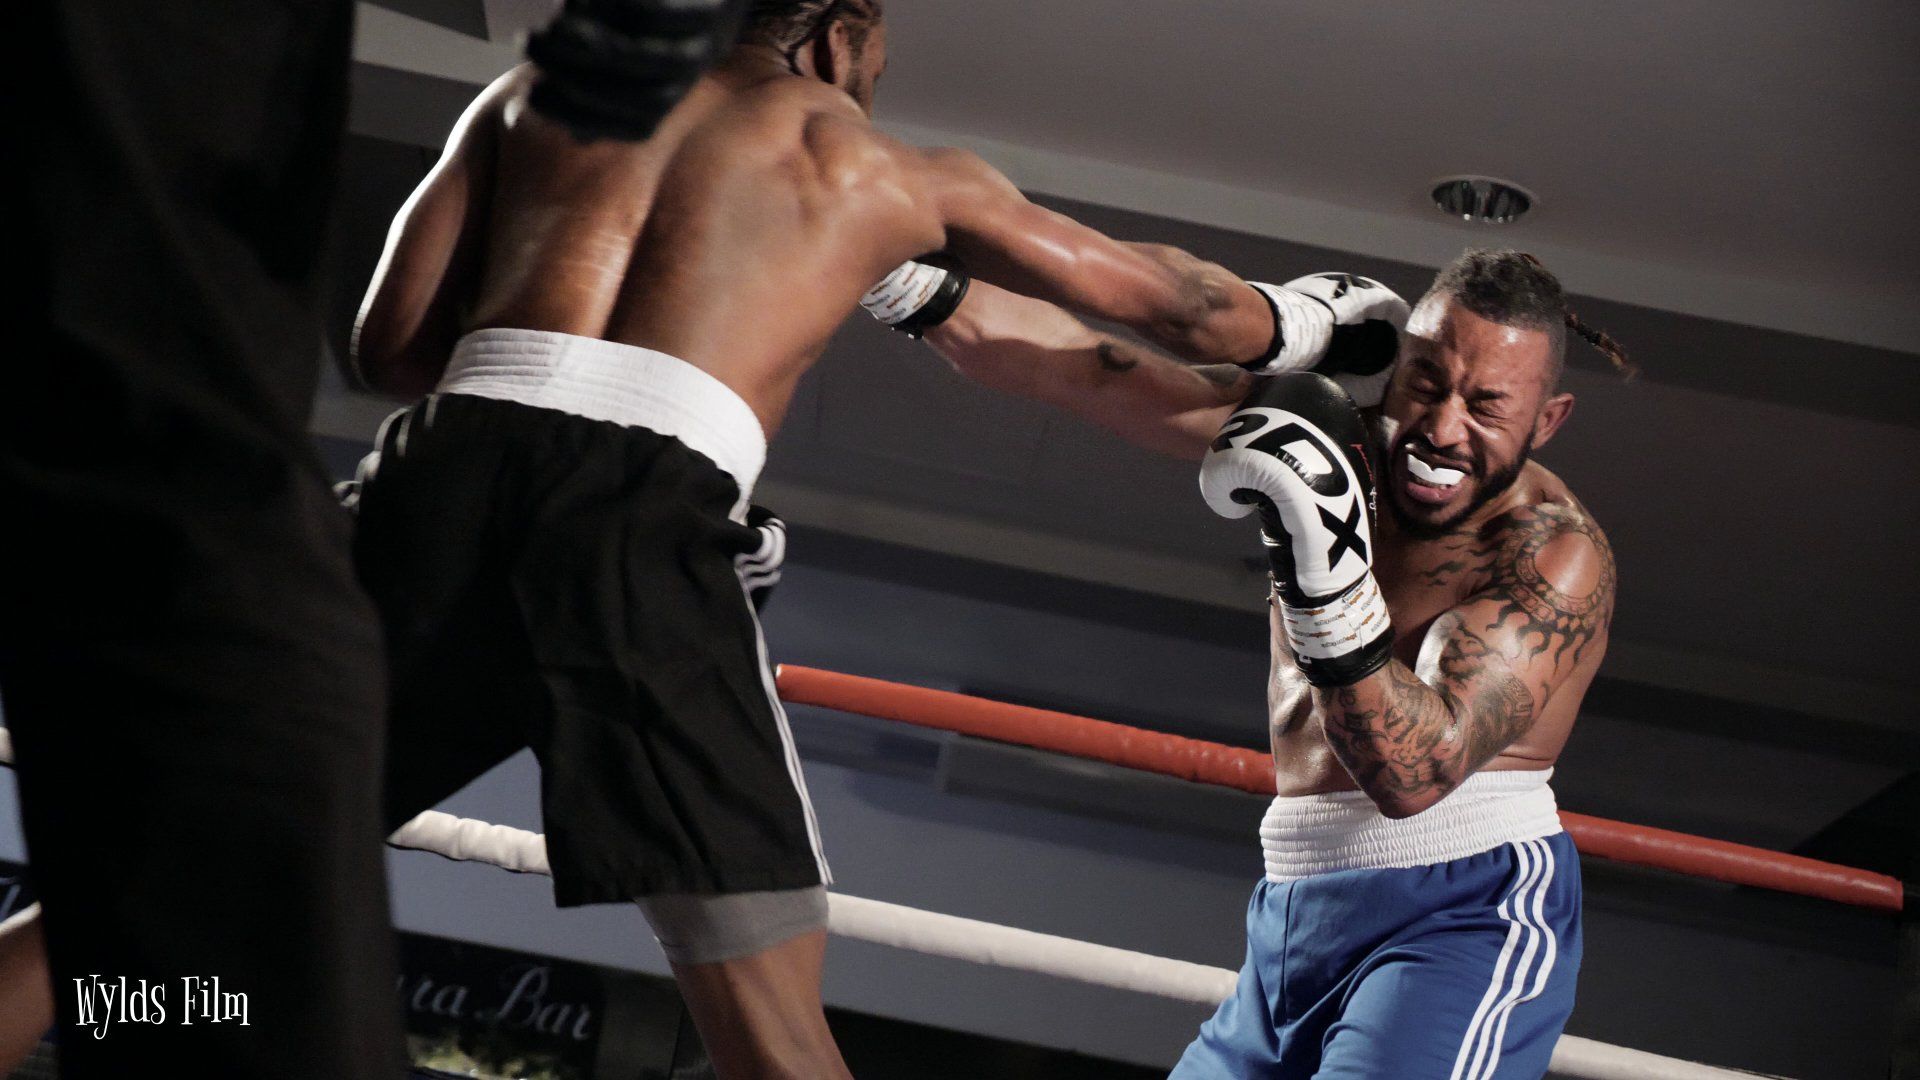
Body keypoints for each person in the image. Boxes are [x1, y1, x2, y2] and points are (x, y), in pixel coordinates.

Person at [341, 2, 1324, 1076]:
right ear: (834, 36)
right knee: (763, 1006)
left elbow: (388, 348)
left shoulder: (536, 93)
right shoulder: (884, 171)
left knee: (197, 829)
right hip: (643, 530)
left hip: (435, 477)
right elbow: (1187, 309)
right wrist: (1324, 322)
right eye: (877, 65)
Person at [2, 1, 753, 1074]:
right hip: (592, 542)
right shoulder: (873, 179)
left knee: (181, 854)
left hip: (384, 517)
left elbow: (389, 346)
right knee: (201, 773)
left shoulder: (516, 115)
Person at [924, 250, 1626, 1078]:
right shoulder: (1338, 445)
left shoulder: (1552, 556)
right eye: (1427, 385)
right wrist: (896, 277)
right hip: (1298, 904)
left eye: (1486, 407)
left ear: (1546, 422)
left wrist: (1322, 566)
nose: (1441, 430)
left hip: (1460, 913)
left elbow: (1412, 775)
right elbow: (1098, 375)